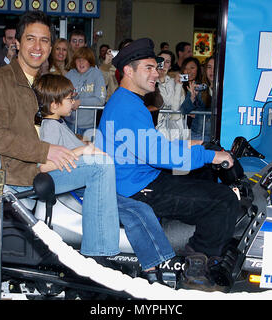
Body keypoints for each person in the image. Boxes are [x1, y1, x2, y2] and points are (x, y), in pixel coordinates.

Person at [96, 38, 239, 292]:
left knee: (204, 178)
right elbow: (157, 154)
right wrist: (209, 156)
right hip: (139, 188)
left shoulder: (128, 102)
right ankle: (197, 268)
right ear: (128, 71)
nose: (156, 74)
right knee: (223, 199)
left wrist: (196, 145)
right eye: (149, 68)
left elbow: (152, 144)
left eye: (156, 67)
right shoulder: (127, 106)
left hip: (142, 179)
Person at [0, 11, 120, 261]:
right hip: (23, 174)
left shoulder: (40, 81)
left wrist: (76, 143)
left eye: (44, 40)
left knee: (103, 157)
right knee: (101, 166)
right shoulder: (0, 81)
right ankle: (99, 259)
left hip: (42, 166)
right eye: (31, 39)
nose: (38, 46)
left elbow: (48, 123)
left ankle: (96, 242)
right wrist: (46, 150)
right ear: (18, 43)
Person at [34, 73, 175, 280]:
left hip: (85, 181)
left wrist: (84, 145)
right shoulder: (51, 127)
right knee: (136, 211)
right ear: (54, 106)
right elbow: (45, 164)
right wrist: (82, 151)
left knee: (137, 210)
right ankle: (152, 266)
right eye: (69, 99)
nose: (74, 102)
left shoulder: (59, 125)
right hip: (81, 185)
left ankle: (153, 264)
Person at [64, 47, 106, 139]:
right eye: (78, 60)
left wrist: (80, 102)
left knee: (87, 152)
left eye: (85, 60)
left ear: (90, 61)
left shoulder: (97, 74)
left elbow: (100, 100)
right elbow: (61, 95)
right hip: (69, 124)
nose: (81, 63)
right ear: (74, 61)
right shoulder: (70, 74)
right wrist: (70, 96)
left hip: (89, 127)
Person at [155, 50, 189, 141]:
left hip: (174, 131)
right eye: (161, 61)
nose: (164, 64)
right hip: (155, 128)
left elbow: (175, 111)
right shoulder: (149, 82)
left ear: (170, 66)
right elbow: (160, 104)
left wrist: (178, 86)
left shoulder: (175, 82)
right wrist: (161, 81)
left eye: (167, 62)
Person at [180, 57, 211, 142]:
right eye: (185, 68)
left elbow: (207, 106)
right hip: (186, 130)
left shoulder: (201, 86)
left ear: (199, 70)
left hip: (200, 131)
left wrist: (197, 113)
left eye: (192, 68)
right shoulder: (180, 85)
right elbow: (183, 109)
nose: (188, 71)